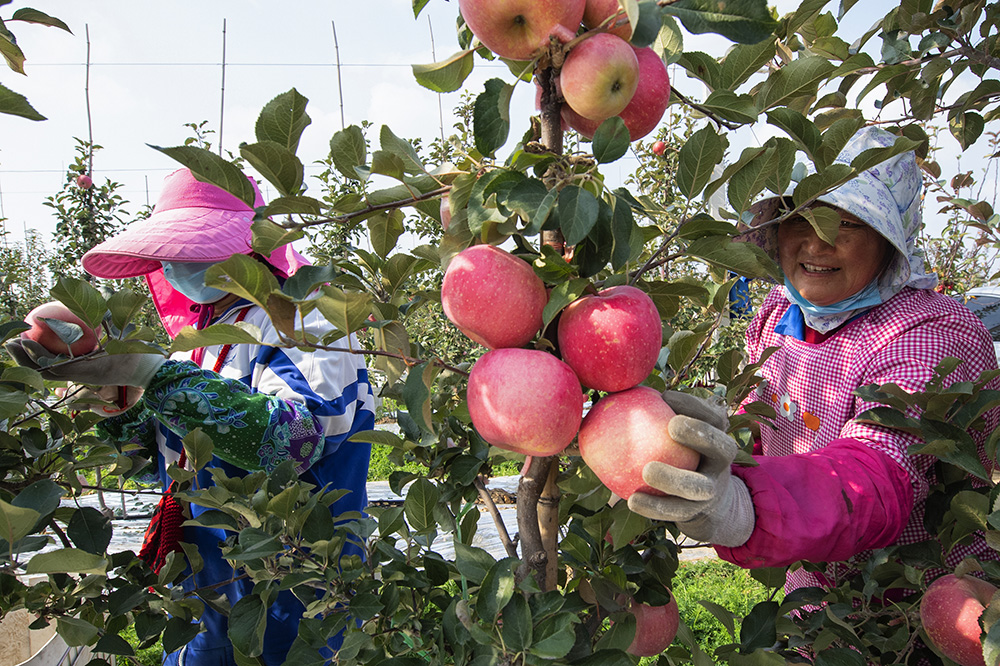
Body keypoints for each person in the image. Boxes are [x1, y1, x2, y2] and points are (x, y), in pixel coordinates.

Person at [7, 168, 377, 666]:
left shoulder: (305, 319)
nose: (177, 261)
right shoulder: (200, 343)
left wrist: (152, 373)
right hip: (208, 588)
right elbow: (156, 465)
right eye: (171, 250)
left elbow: (296, 441)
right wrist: (108, 396)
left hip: (294, 587)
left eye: (192, 245)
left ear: (250, 246)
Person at [627, 127, 1000, 594]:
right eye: (803, 218)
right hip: (817, 600)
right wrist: (720, 443)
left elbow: (877, 475)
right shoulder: (780, 312)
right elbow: (765, 416)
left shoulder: (927, 332)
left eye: (848, 223)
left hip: (920, 605)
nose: (818, 245)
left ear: (892, 238)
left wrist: (746, 507)